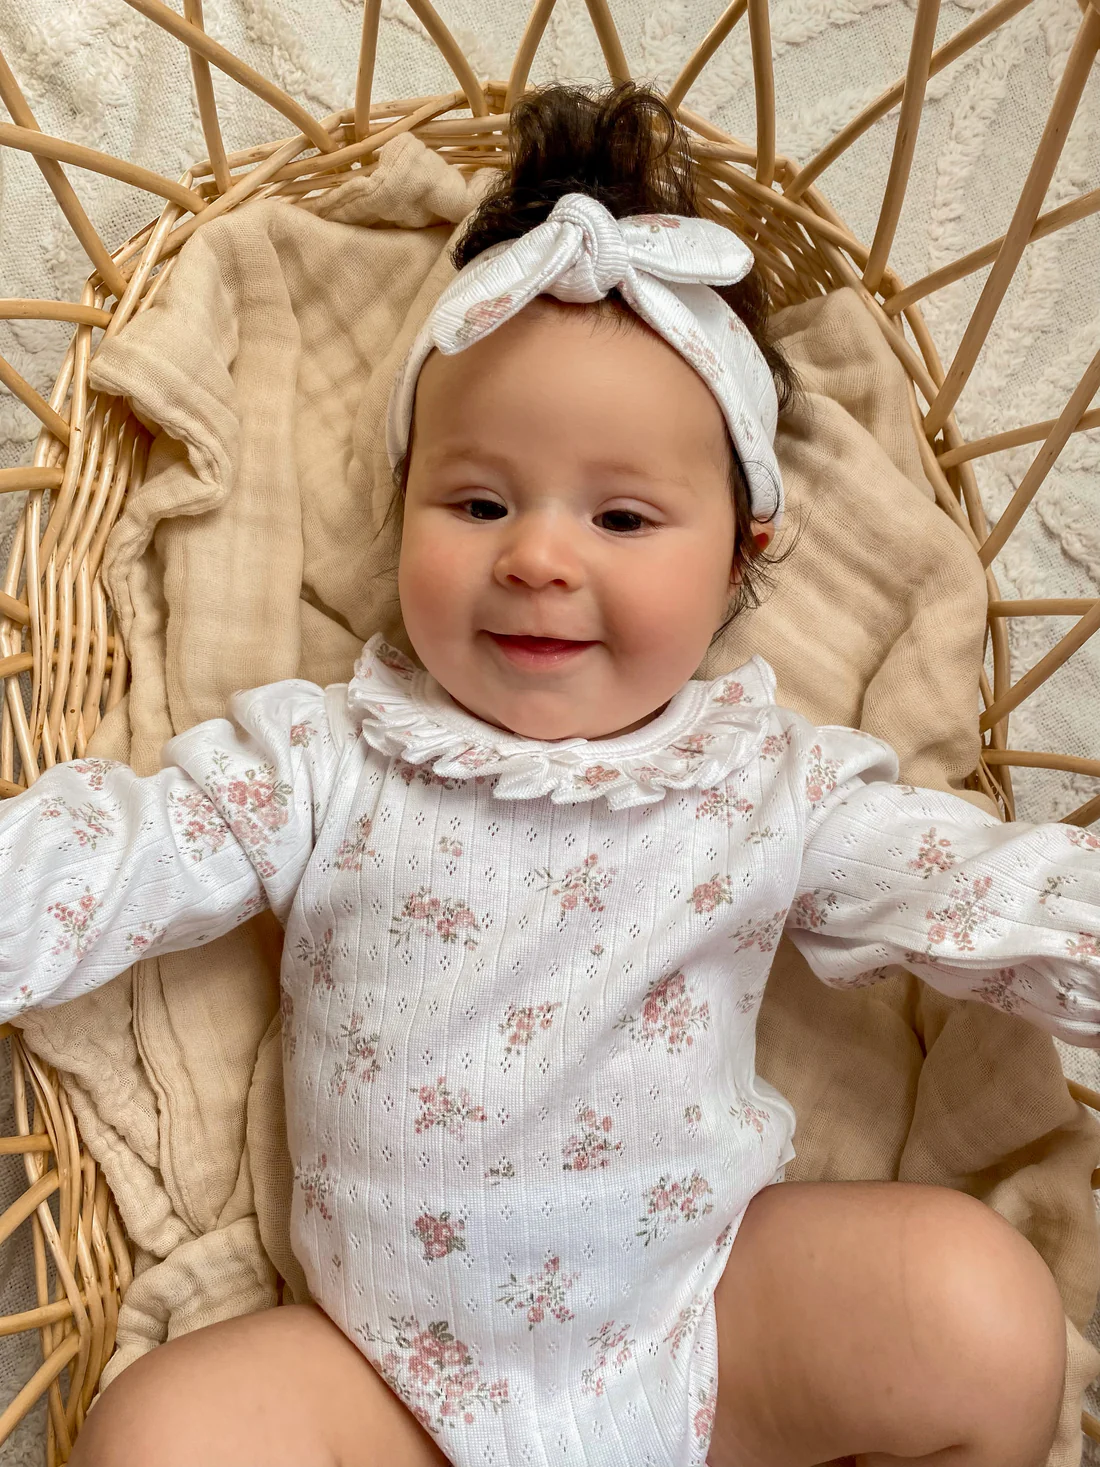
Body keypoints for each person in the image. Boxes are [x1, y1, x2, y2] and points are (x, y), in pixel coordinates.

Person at [2, 83, 1093, 1467]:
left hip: (706, 1329)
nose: (535, 557)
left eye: (622, 517)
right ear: (402, 512)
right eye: (477, 503)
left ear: (741, 558)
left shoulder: (767, 782)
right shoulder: (326, 758)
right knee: (163, 1430)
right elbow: (115, 856)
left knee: (979, 1307)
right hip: (387, 1379)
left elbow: (985, 894)